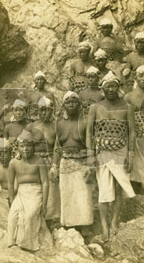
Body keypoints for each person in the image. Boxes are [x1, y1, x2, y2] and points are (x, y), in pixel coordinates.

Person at [86, 71, 136, 241]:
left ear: (118, 87)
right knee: (104, 190)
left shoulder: (127, 107)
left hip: (121, 152)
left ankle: (114, 221)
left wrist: (131, 154)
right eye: (108, 86)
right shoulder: (95, 107)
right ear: (103, 88)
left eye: (114, 86)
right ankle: (104, 226)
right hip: (102, 152)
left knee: (119, 188)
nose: (111, 89)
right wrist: (90, 154)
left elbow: (132, 132)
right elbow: (89, 132)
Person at [50, 91, 93, 229]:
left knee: (83, 195)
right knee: (67, 193)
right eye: (68, 102)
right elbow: (57, 145)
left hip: (82, 162)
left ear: (79, 104)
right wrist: (54, 166)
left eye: (74, 101)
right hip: (65, 162)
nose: (71, 104)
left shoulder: (85, 122)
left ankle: (85, 226)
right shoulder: (60, 123)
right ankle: (69, 225)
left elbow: (90, 146)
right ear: (64, 105)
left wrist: (90, 165)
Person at [8, 130, 52, 252]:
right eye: (22, 146)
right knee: (12, 215)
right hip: (21, 193)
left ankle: (27, 244)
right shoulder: (13, 163)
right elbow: (11, 184)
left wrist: (45, 203)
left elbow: (45, 183)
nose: (26, 149)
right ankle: (12, 242)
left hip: (35, 192)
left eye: (28, 146)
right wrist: (12, 200)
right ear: (18, 147)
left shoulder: (39, 161)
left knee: (29, 216)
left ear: (33, 147)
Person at [26, 97, 60, 225]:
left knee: (52, 190)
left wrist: (55, 165)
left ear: (52, 111)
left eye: (47, 110)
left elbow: (57, 147)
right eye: (41, 110)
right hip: (34, 161)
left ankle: (51, 220)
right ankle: (33, 216)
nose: (44, 113)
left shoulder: (56, 126)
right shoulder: (31, 126)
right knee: (35, 188)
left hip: (50, 160)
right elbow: (22, 143)